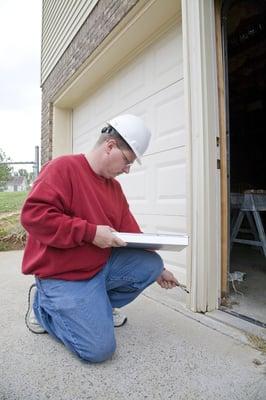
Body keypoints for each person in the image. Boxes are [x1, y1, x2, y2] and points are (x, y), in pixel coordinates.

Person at [21, 114, 179, 363]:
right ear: (110, 146)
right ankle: (44, 307)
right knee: (99, 351)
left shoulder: (114, 189)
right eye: (127, 160)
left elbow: (131, 232)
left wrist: (161, 270)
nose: (127, 169)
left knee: (152, 264)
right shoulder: (63, 168)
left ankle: (97, 308)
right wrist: (91, 233)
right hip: (62, 275)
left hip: (97, 268)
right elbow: (33, 216)